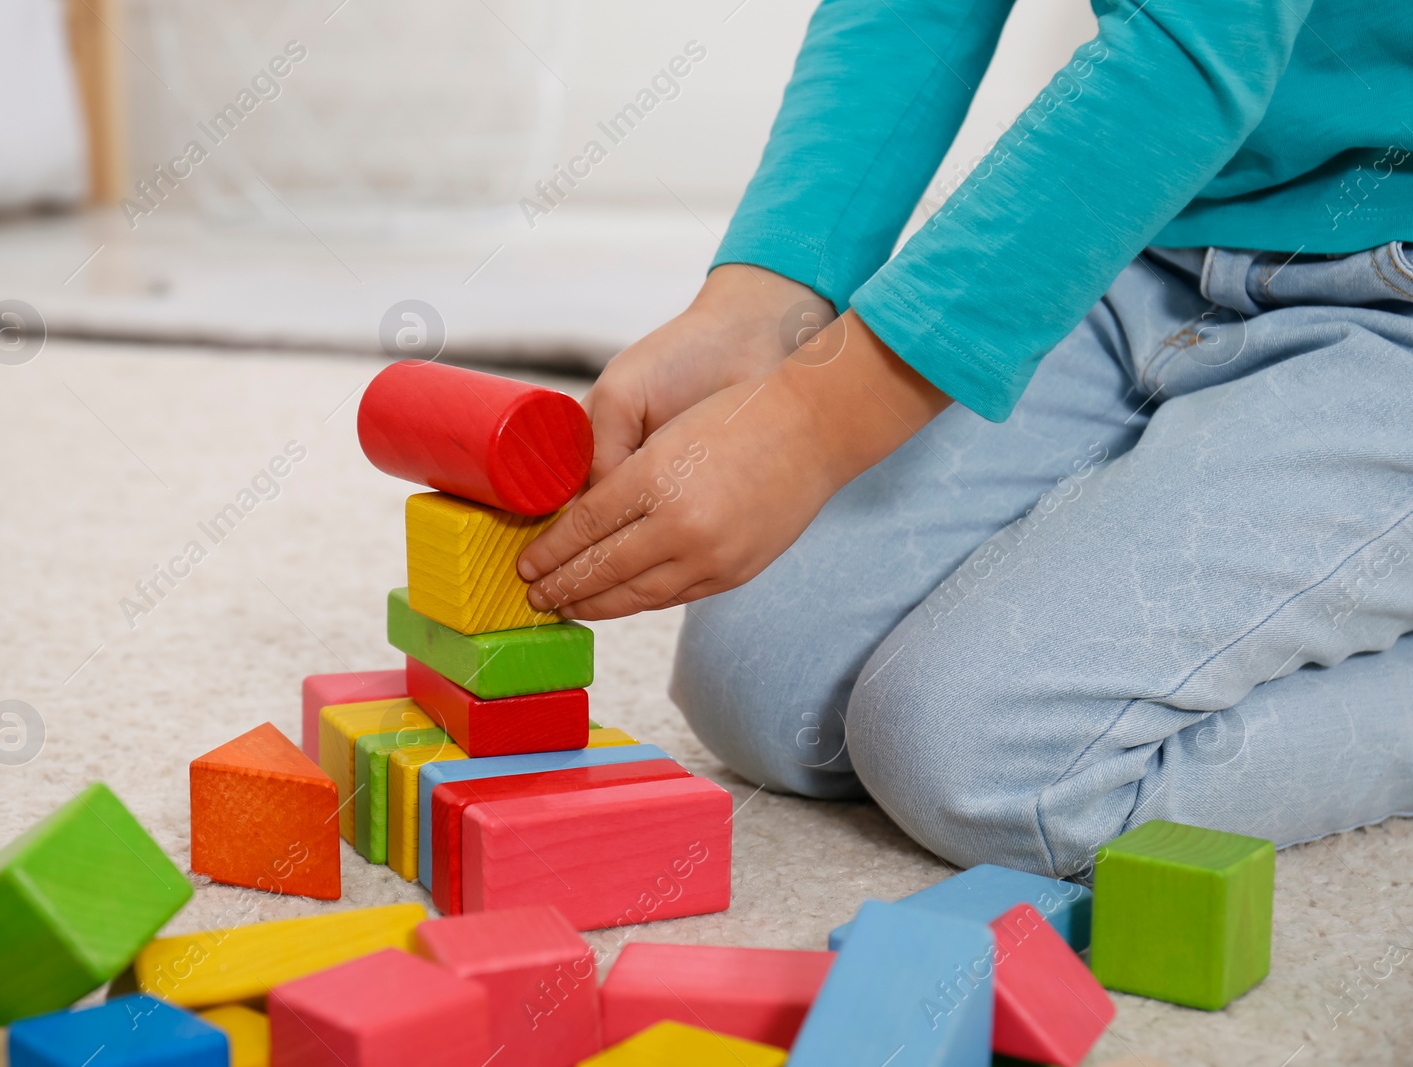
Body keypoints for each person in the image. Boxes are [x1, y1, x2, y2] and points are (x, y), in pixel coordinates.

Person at [515, 0, 1413, 879]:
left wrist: (817, 422)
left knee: (993, 769)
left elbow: (1193, 47)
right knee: (759, 687)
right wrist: (769, 287)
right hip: (1152, 236)